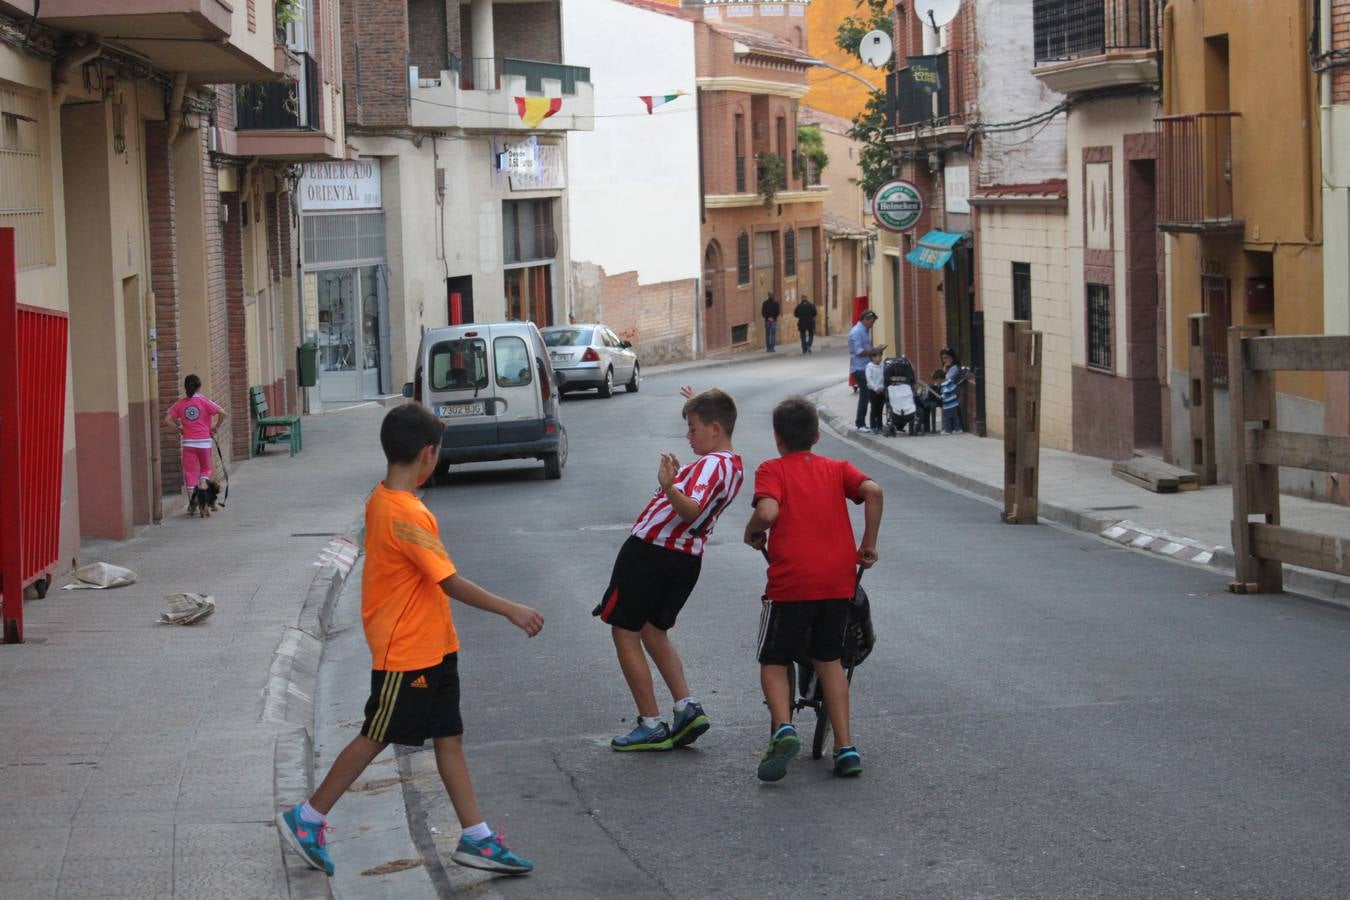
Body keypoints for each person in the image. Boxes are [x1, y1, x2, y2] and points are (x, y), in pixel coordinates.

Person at [277, 404, 545, 878]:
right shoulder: (406, 514)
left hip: (433, 648)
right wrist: (511, 609)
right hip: (408, 655)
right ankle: (308, 817)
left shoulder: (383, 499)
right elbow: (450, 582)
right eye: (438, 453)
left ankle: (476, 838)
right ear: (428, 454)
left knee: (449, 736)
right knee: (376, 735)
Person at [594, 386, 744, 751]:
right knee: (652, 630)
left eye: (693, 428)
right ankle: (686, 706)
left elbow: (691, 508)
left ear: (715, 429)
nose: (688, 436)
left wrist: (668, 486)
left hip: (652, 552)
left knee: (624, 631)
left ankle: (650, 722)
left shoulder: (712, 464)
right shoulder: (733, 467)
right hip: (686, 557)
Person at [743, 396, 883, 782]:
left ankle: (785, 728)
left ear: (777, 438)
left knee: (773, 658)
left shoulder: (773, 469)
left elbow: (768, 513)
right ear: (817, 436)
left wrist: (753, 530)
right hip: (838, 582)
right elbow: (873, 491)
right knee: (829, 660)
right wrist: (868, 544)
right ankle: (846, 747)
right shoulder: (837, 468)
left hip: (791, 584)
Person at [163, 374, 227, 506]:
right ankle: (203, 492)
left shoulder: (180, 403)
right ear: (199, 386)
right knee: (205, 470)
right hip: (204, 443)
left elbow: (167, 420)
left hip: (188, 443)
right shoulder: (204, 401)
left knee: (190, 473)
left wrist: (179, 430)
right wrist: (216, 427)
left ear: (185, 387)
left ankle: (193, 504)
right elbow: (223, 413)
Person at [848, 310, 877, 430]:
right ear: (865, 319)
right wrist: (873, 352)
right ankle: (860, 423)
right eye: (871, 322)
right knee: (865, 396)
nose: (872, 324)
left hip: (866, 366)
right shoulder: (856, 332)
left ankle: (869, 422)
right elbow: (859, 351)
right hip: (860, 368)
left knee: (869, 395)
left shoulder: (865, 331)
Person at [940, 348, 964, 434]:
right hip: (947, 393)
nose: (945, 360)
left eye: (947, 358)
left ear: (952, 358)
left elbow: (946, 380)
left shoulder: (954, 368)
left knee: (947, 412)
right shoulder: (947, 368)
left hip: (951, 394)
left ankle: (949, 428)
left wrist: (944, 370)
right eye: (943, 358)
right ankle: (950, 428)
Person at [863, 347, 886, 434]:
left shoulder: (882, 366)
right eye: (878, 356)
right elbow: (869, 379)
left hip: (881, 390)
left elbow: (884, 378)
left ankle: (880, 425)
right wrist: (875, 388)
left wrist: (882, 387)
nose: (879, 358)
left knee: (880, 409)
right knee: (874, 409)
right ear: (872, 357)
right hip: (873, 391)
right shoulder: (869, 367)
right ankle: (873, 426)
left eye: (880, 356)